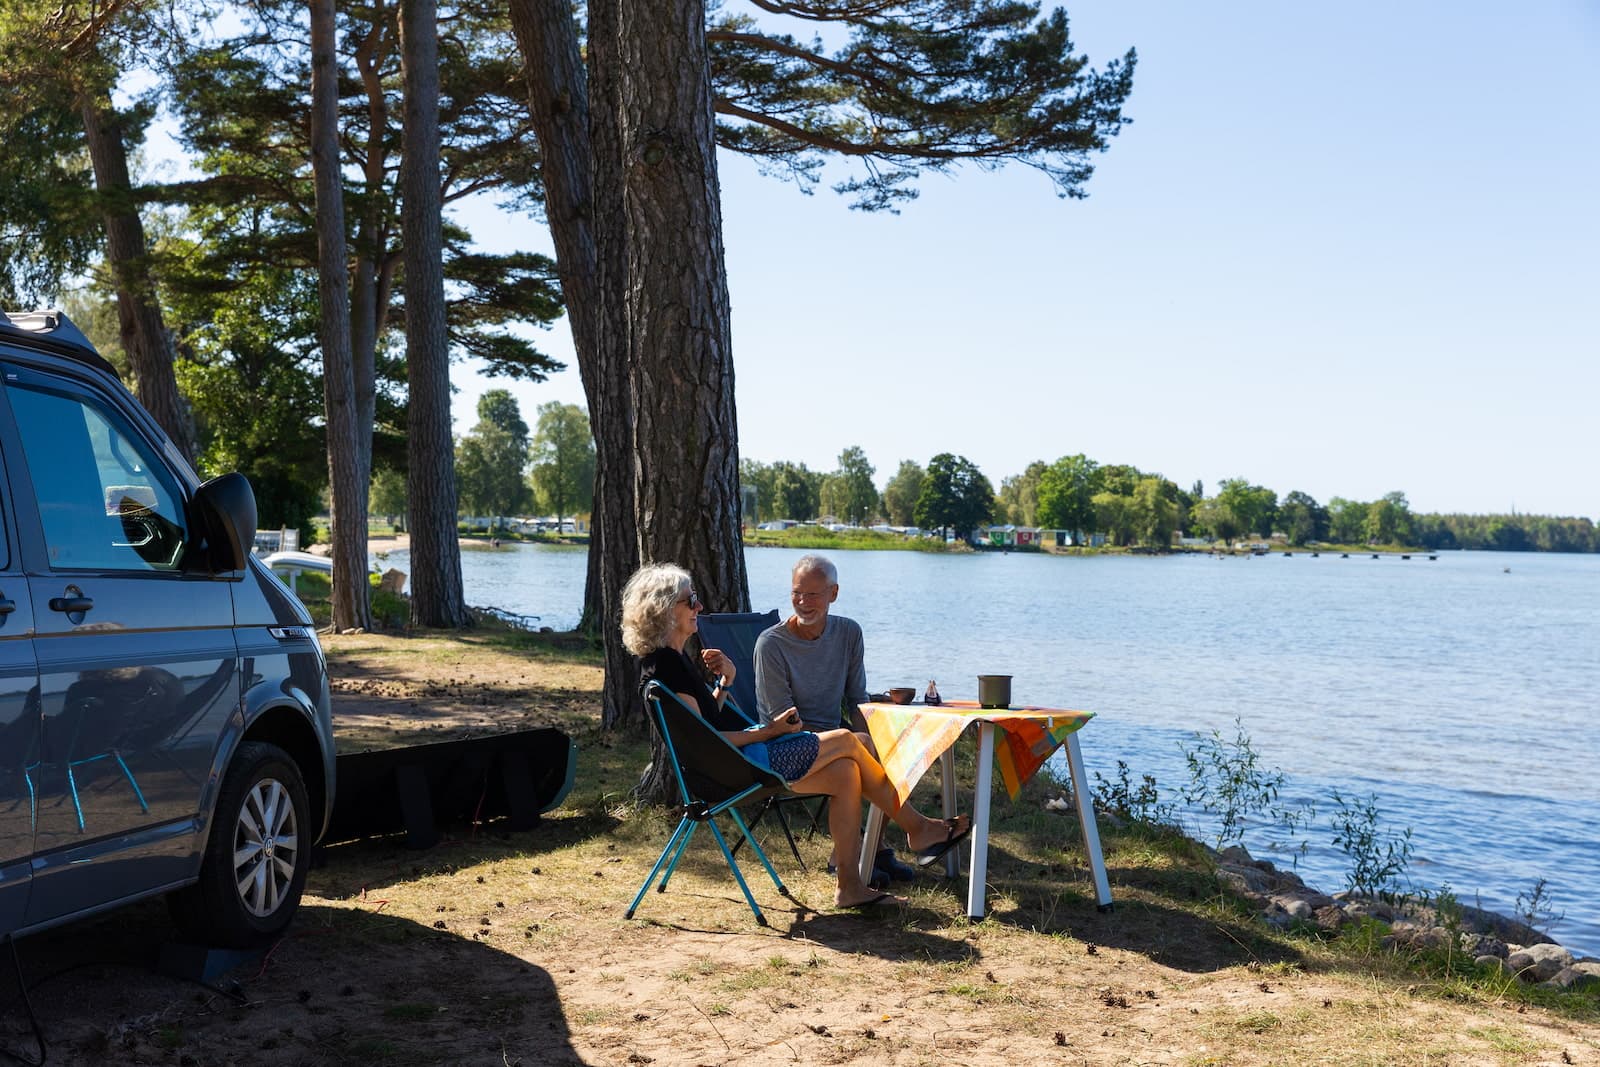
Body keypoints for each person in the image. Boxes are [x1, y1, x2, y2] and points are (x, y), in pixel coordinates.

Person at [621, 562, 968, 910]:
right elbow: (707, 743)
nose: (698, 606)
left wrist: (726, 682)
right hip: (739, 768)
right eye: (690, 600)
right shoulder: (667, 666)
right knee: (853, 742)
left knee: (846, 773)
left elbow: (703, 726)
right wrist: (769, 731)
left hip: (739, 760)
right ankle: (917, 828)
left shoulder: (670, 661)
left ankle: (850, 887)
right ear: (665, 609)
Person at [752, 554, 938, 882]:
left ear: (833, 593)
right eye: (797, 593)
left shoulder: (849, 633)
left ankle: (868, 850)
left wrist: (870, 742)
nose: (803, 602)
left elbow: (857, 700)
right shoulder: (771, 645)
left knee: (880, 748)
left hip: (837, 743)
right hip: (787, 747)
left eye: (813, 594)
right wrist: (852, 741)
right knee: (857, 745)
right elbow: (783, 723)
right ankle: (913, 830)